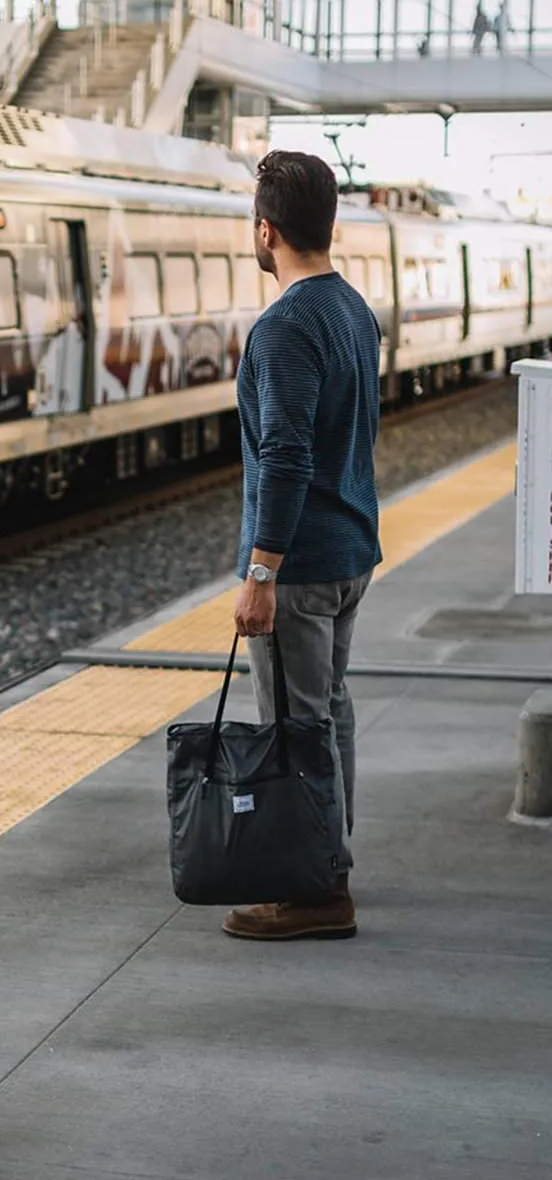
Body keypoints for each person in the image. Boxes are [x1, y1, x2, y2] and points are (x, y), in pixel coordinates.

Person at [225, 150, 382, 942]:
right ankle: (332, 857)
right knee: (330, 715)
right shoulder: (354, 310)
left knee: (299, 726)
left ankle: (317, 890)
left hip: (303, 567)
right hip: (350, 550)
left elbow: (286, 455)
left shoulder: (284, 327)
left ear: (267, 231)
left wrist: (261, 571)